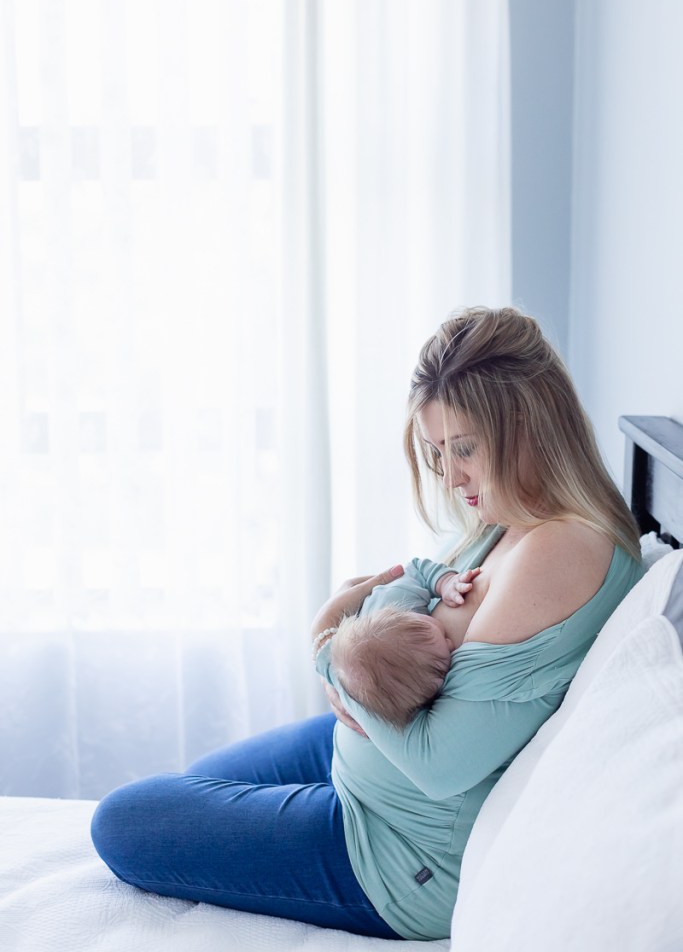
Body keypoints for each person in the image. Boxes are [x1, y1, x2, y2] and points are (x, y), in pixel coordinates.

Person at [90, 306, 644, 942]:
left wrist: (330, 650)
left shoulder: (561, 551)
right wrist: (346, 659)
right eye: (437, 452)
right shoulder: (509, 517)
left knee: (124, 822)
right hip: (361, 765)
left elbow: (439, 766)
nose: (451, 476)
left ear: (532, 422)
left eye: (465, 448)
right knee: (181, 793)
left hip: (400, 856)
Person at [328, 561, 482, 728]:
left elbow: (417, 569)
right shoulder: (395, 691)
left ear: (414, 617)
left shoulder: (398, 595)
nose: (451, 644)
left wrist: (445, 582)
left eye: (443, 636)